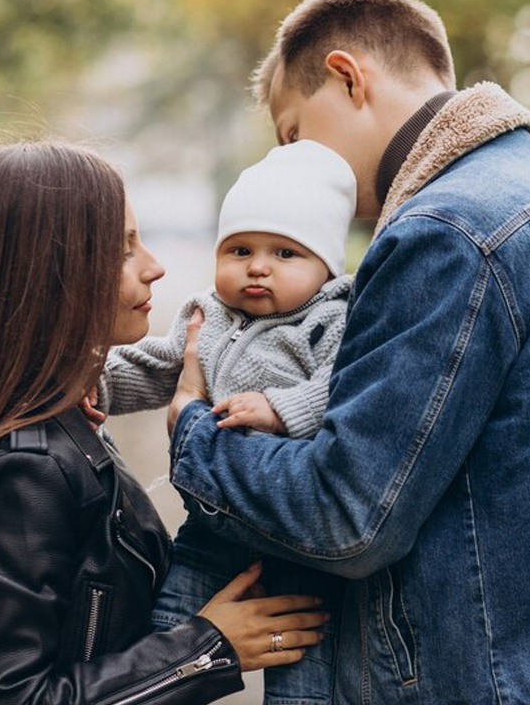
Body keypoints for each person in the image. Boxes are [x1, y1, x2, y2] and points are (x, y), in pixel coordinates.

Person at [167, 0, 530, 704]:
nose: (291, 166)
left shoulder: (445, 232)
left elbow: (349, 516)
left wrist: (194, 433)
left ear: (349, 77)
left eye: (294, 135)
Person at [0, 141, 328, 704]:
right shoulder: (21, 468)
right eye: (123, 249)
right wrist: (207, 649)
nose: (155, 267)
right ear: (48, 271)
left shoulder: (61, 421)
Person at [97, 139, 356, 704]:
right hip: (213, 526)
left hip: (294, 527)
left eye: (285, 254)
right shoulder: (207, 315)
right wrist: (88, 384)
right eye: (239, 250)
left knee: (304, 661)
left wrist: (282, 410)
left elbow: (341, 385)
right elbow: (159, 368)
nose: (257, 266)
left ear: (325, 268)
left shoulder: (331, 319)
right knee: (168, 629)